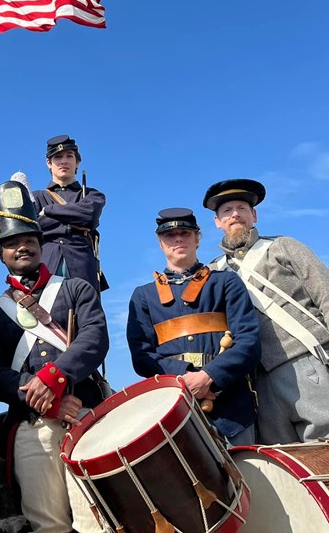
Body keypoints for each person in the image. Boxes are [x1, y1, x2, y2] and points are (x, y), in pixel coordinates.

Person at [0, 180, 109, 533]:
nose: (22, 247)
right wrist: (45, 400)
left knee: (97, 521)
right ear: (1, 253)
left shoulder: (76, 289)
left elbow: (95, 340)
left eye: (30, 241)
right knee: (47, 525)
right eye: (12, 243)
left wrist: (55, 377)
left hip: (85, 412)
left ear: (41, 245)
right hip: (31, 422)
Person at [203, 178, 329, 444]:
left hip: (306, 360)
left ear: (254, 215)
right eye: (226, 211)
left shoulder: (283, 247)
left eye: (241, 208)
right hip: (256, 380)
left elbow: (325, 294)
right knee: (285, 463)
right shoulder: (214, 272)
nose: (235, 214)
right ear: (217, 222)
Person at [127, 208, 261, 446]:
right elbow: (141, 355)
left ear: (197, 238)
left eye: (185, 233)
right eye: (170, 235)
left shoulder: (225, 282)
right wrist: (185, 378)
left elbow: (248, 341)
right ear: (161, 243)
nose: (178, 239)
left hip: (231, 408)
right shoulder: (143, 296)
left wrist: (209, 376)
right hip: (173, 409)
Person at [33, 135, 107, 292]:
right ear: (49, 163)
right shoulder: (36, 197)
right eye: (58, 157)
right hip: (46, 266)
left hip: (82, 268)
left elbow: (89, 217)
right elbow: (34, 226)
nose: (64, 161)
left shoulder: (92, 195)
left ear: (77, 162)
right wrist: (72, 222)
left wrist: (48, 211)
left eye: (69, 156)